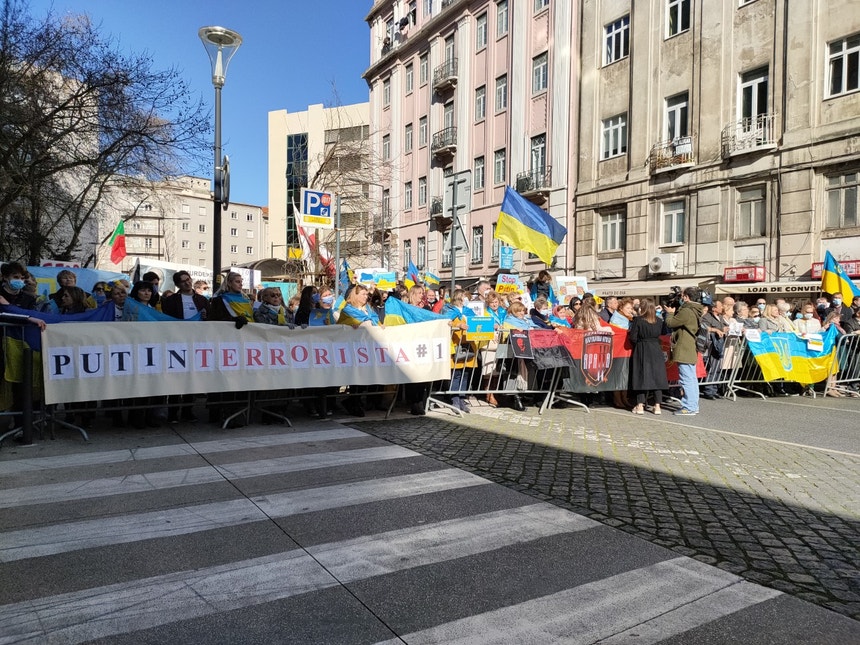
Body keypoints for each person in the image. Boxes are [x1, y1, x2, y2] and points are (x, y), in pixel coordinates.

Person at [665, 287, 704, 415]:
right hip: (689, 347)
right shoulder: (696, 309)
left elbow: (671, 323)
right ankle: (693, 405)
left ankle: (689, 407)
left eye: (682, 296)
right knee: (691, 379)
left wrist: (670, 313)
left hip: (684, 347)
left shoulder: (687, 310)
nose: (681, 298)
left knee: (686, 379)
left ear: (686, 297)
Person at [629, 298, 668, 415]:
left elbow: (633, 337)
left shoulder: (639, 320)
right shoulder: (659, 320)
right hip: (656, 348)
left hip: (642, 348)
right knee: (657, 377)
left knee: (642, 376)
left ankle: (640, 405)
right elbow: (664, 332)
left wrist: (639, 342)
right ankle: (657, 406)